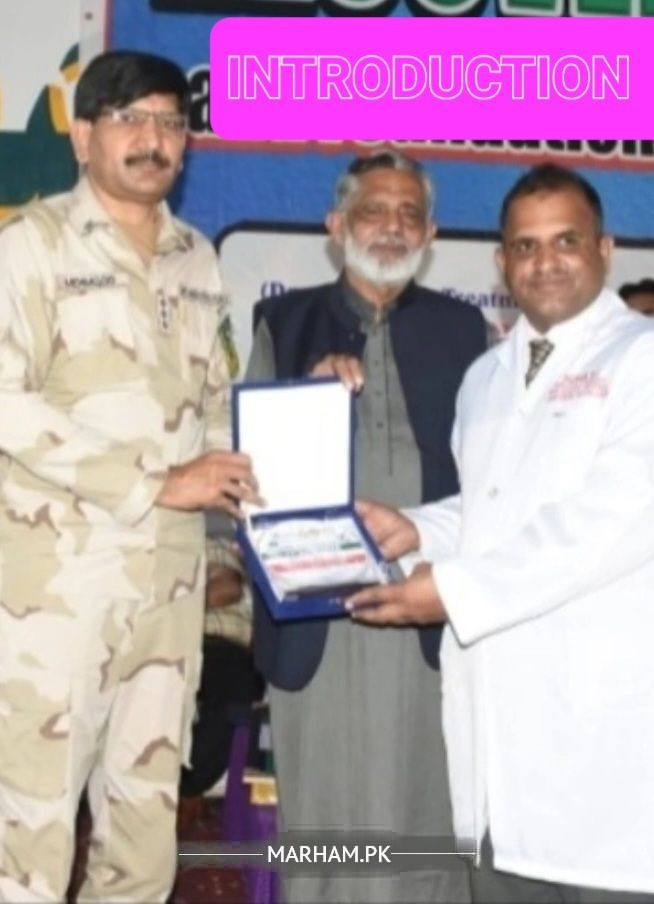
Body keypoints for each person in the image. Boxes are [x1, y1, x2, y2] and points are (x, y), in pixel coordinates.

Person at [348, 163, 654, 902]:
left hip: (606, 753)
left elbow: (611, 521)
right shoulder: (485, 376)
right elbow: (493, 508)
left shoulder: (642, 358)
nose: (545, 262)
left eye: (566, 241)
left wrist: (449, 592)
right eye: (525, 246)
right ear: (501, 261)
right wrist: (415, 528)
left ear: (605, 250)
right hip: (500, 761)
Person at [0, 50, 259, 903]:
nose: (154, 139)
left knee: (145, 844)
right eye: (130, 120)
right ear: (83, 138)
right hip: (56, 596)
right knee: (27, 844)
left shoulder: (197, 260)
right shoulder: (30, 246)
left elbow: (212, 402)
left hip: (170, 592)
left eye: (171, 122)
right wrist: (155, 481)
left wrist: (269, 470)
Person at [246, 151, 486, 903]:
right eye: (373, 210)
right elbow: (250, 480)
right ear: (336, 225)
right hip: (318, 621)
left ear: (432, 233)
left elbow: (495, 482)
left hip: (428, 613)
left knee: (426, 813)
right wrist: (303, 397)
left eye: (410, 213)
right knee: (327, 816)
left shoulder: (466, 332)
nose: (392, 226)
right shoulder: (283, 324)